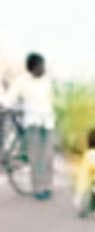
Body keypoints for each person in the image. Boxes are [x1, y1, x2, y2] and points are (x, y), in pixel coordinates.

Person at [0, 53, 55, 200]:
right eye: (40, 66)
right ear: (32, 68)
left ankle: (48, 185)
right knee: (36, 157)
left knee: (48, 155)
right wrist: (4, 105)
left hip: (48, 121)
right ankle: (39, 188)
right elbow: (9, 99)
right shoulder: (21, 82)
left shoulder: (47, 80)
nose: (43, 68)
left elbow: (50, 99)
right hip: (32, 122)